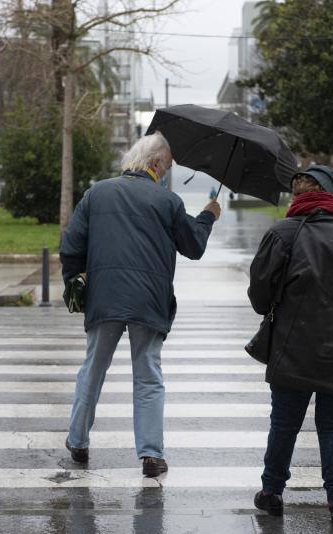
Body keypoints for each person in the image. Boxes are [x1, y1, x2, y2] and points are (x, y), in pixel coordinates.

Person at [60, 131, 222, 477]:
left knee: (93, 369)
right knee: (148, 375)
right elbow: (193, 245)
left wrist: (76, 282)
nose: (167, 171)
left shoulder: (97, 193)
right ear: (155, 163)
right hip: (149, 299)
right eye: (167, 165)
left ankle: (77, 440)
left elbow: (71, 245)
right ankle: (151, 455)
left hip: (104, 296)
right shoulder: (167, 202)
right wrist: (208, 215)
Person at [247, 164, 333, 528]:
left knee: (284, 422)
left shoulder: (281, 234)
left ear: (299, 196)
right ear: (332, 194)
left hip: (291, 349)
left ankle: (272, 492)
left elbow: (259, 298)